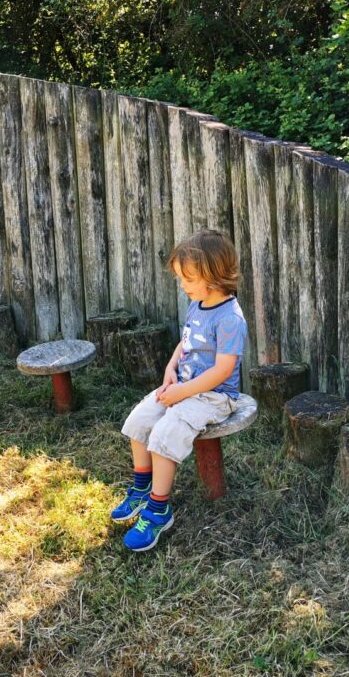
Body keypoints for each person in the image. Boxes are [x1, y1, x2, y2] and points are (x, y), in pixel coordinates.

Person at [111, 228, 248, 551]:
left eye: (188, 279)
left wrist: (183, 394)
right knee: (141, 420)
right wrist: (171, 368)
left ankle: (159, 510)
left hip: (215, 396)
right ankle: (142, 488)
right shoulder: (198, 304)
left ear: (213, 276)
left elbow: (222, 370)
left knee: (163, 435)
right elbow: (185, 341)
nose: (182, 286)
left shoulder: (230, 318)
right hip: (185, 386)